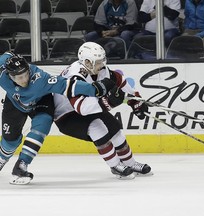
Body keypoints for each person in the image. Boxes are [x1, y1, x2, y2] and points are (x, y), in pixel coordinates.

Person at [0, 52, 115, 185]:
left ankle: (22, 164)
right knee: (10, 142)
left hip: (41, 100)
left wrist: (94, 89)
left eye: (26, 74)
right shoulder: (2, 73)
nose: (24, 80)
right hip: (14, 103)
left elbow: (67, 85)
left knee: (42, 125)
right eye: (19, 77)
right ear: (9, 75)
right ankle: (2, 159)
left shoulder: (40, 79)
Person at [53, 42, 152, 180]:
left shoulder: (98, 68)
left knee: (114, 129)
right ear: (87, 62)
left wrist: (135, 101)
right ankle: (115, 166)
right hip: (66, 115)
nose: (102, 64)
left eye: (102, 60)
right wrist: (109, 102)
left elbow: (119, 80)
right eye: (98, 62)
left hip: (88, 107)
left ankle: (131, 163)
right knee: (97, 128)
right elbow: (82, 108)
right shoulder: (74, 76)